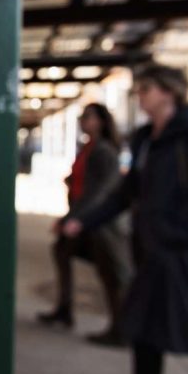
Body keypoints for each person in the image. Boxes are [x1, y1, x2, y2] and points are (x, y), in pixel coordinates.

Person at [62, 64, 188, 374]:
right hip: (158, 256)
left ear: (168, 92)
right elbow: (126, 194)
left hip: (186, 259)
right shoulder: (146, 140)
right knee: (148, 335)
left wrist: (173, 233)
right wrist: (82, 222)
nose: (140, 97)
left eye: (146, 90)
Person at [37, 103, 132, 347]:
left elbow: (100, 192)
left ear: (101, 121)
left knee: (112, 273)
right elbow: (82, 184)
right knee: (61, 251)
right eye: (82, 117)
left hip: (101, 223)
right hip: (84, 217)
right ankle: (65, 308)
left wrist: (76, 219)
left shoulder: (104, 151)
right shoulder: (87, 149)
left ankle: (122, 328)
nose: (83, 121)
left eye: (88, 117)